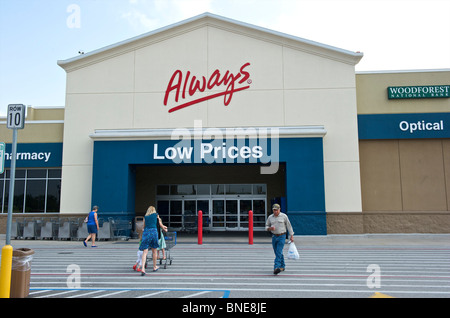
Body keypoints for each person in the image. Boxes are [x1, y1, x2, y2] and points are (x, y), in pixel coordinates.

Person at [265, 203, 294, 275]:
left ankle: (276, 267)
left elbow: (289, 226)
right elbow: (266, 227)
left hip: (282, 236)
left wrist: (291, 236)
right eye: (274, 210)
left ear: (279, 209)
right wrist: (269, 228)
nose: (275, 211)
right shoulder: (270, 217)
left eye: (276, 210)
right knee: (278, 252)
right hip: (274, 236)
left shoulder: (284, 216)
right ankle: (282, 266)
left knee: (278, 252)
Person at [140, 206, 167, 276]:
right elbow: (160, 224)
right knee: (154, 251)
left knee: (145, 252)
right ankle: (154, 266)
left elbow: (143, 226)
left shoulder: (145, 217)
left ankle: (143, 268)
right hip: (154, 232)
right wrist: (164, 228)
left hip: (146, 233)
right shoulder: (156, 215)